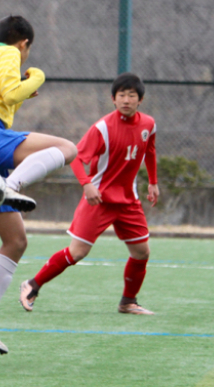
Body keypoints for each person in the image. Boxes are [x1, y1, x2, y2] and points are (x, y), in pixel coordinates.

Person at [0, 15, 78, 354]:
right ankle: (12, 183)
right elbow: (12, 95)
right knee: (68, 148)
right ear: (23, 43)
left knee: (15, 241)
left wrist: (24, 89)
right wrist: (36, 76)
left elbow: (3, 94)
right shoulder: (10, 54)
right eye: (28, 52)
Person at [19, 72, 159, 317]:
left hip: (128, 201)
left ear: (141, 100)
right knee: (77, 253)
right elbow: (75, 157)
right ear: (113, 99)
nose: (126, 100)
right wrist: (86, 184)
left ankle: (128, 302)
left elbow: (150, 151)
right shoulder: (102, 128)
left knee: (141, 252)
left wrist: (153, 183)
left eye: (132, 95)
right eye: (121, 95)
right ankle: (33, 284)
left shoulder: (148, 124)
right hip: (99, 200)